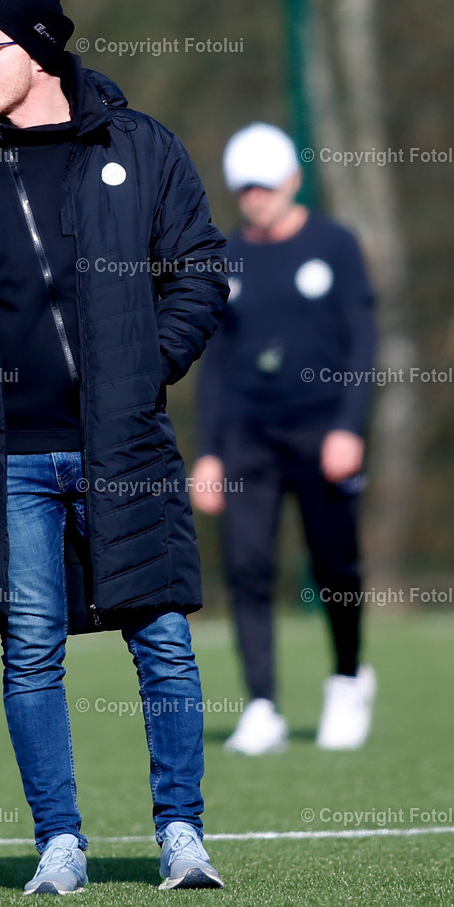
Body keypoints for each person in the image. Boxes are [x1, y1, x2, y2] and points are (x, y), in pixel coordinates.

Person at [0, 0, 227, 894]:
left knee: (161, 638)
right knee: (30, 647)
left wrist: (150, 366)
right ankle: (58, 845)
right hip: (7, 458)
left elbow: (198, 268)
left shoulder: (138, 146)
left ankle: (182, 835)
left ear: (39, 54)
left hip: (126, 446)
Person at [190, 122, 377, 756]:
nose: (256, 199)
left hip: (323, 433)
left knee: (335, 565)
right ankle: (263, 705)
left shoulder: (335, 245)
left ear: (293, 182)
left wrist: (349, 429)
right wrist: (210, 452)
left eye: (266, 186)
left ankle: (349, 680)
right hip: (248, 438)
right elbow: (215, 362)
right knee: (246, 568)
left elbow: (363, 339)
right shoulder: (226, 259)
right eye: (245, 189)